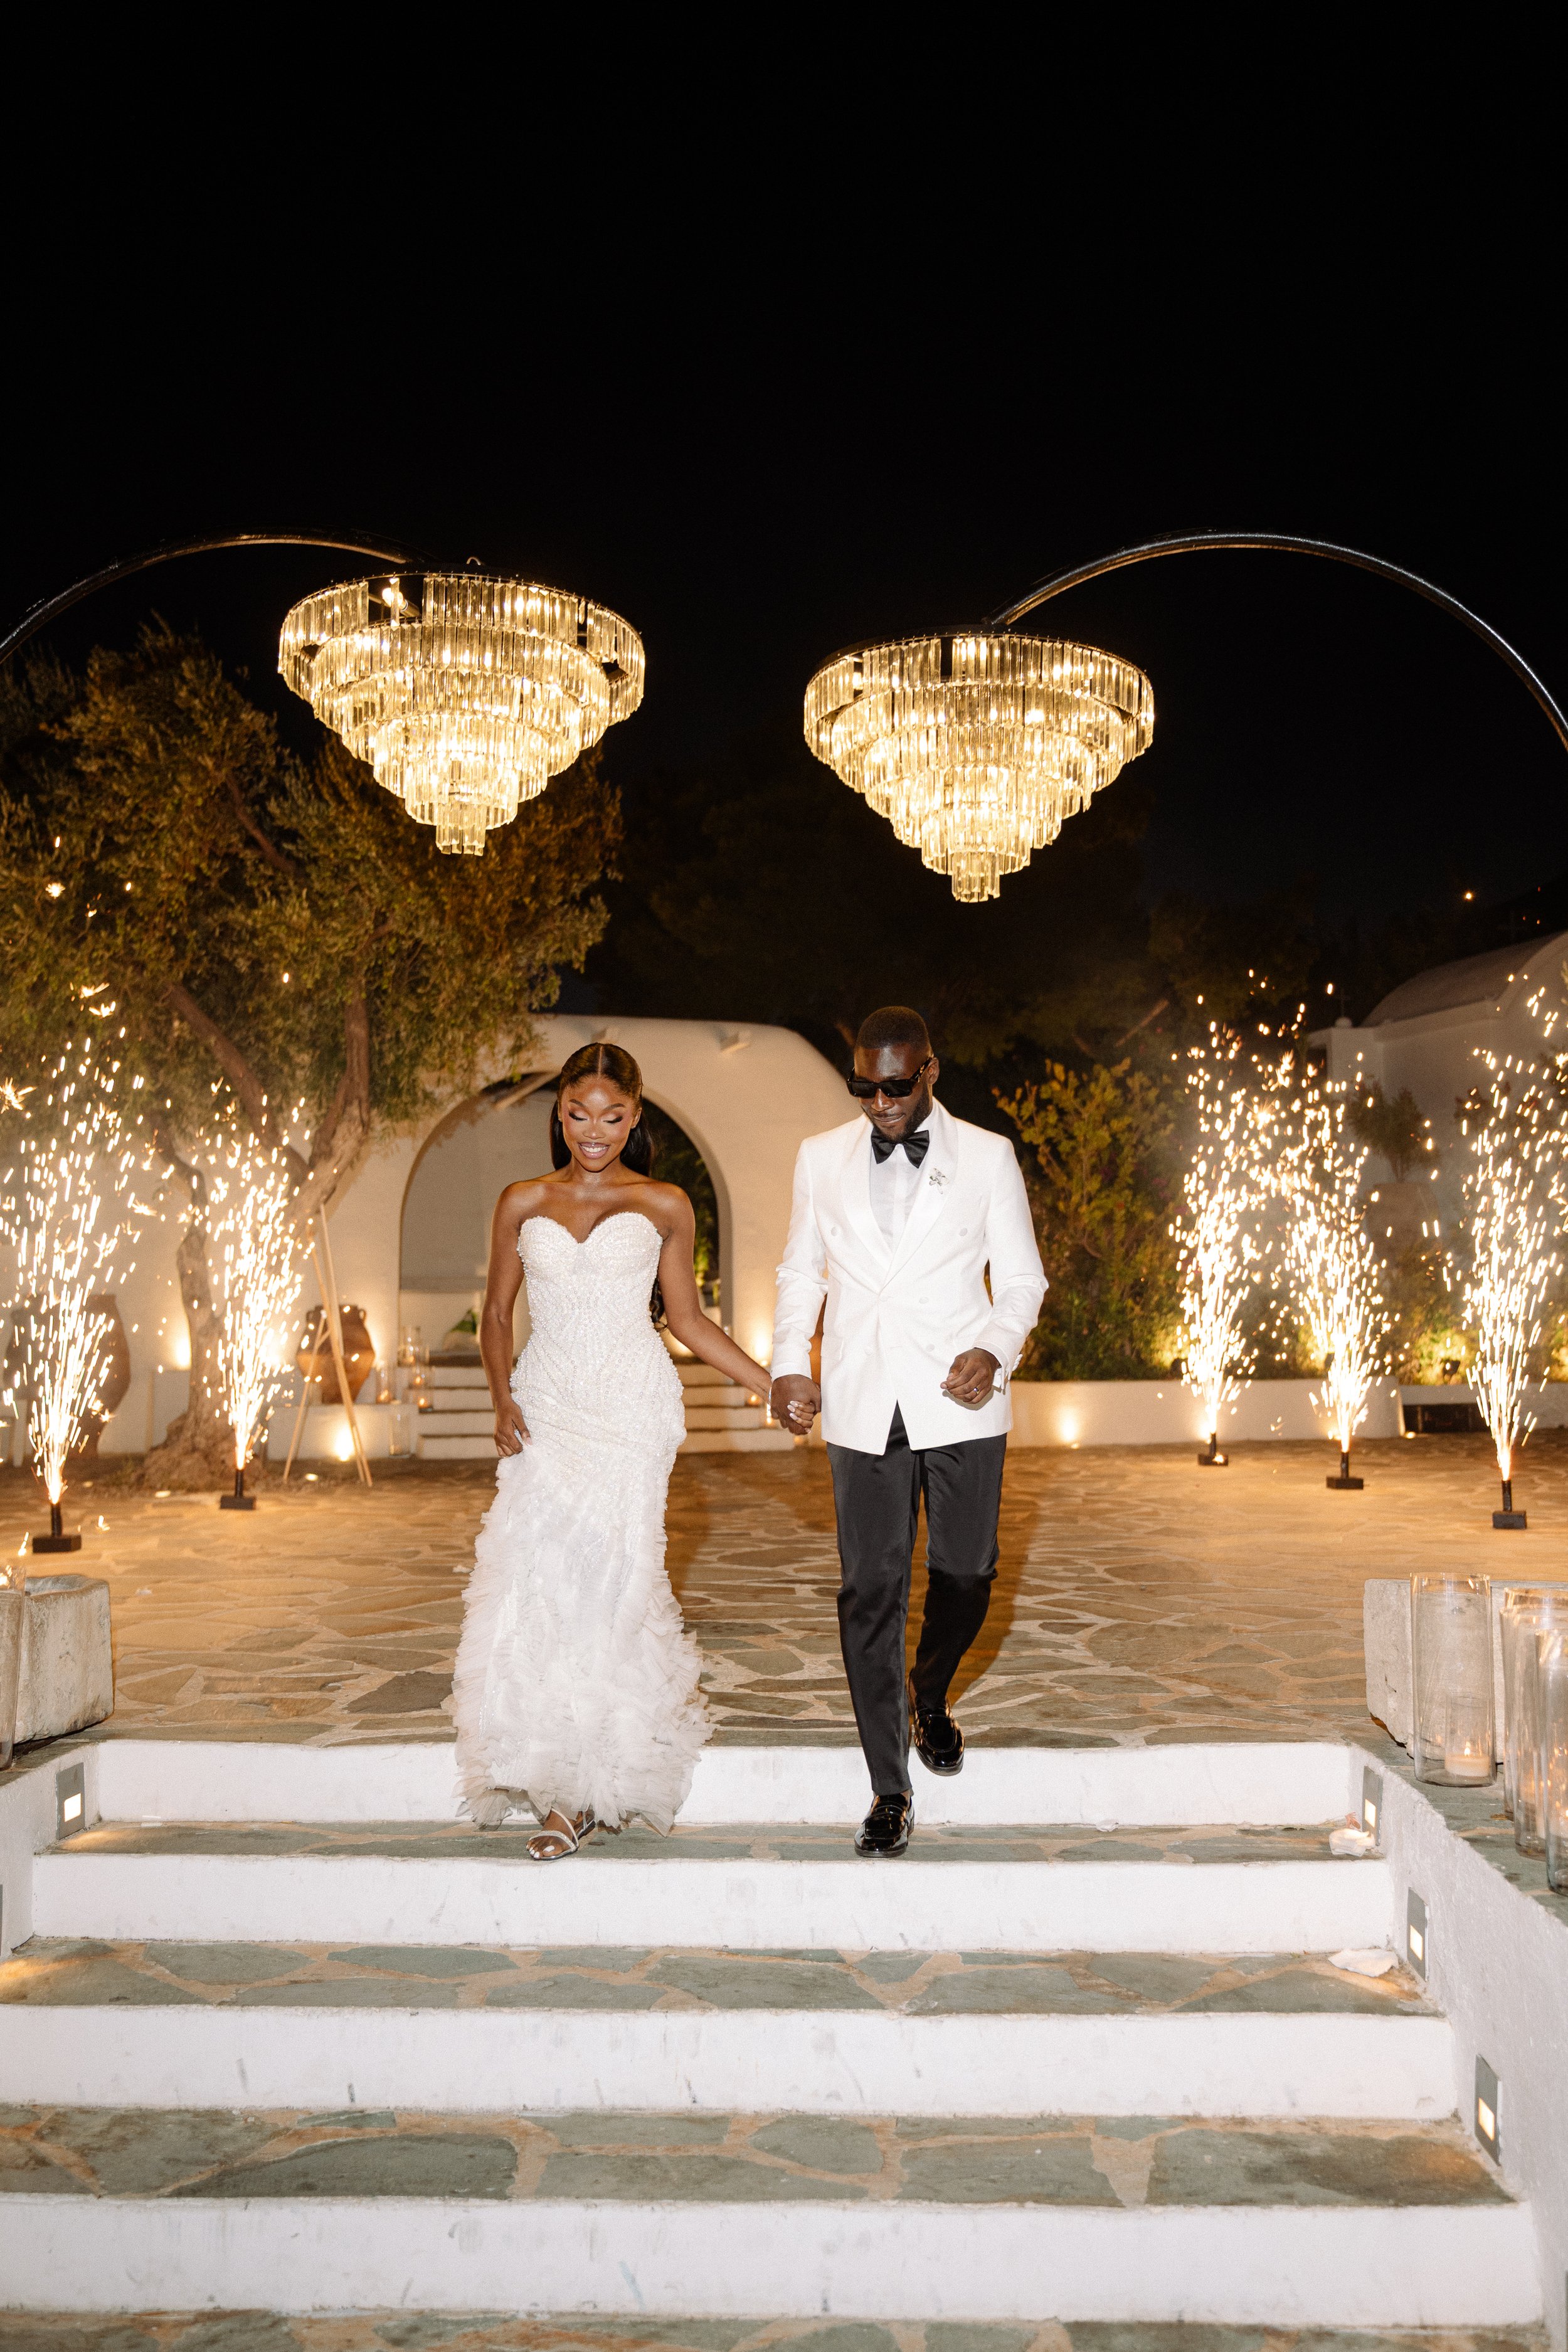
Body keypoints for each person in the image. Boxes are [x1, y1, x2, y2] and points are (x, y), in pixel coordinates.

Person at [451, 1041, 774, 1859]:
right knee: (543, 1583)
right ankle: (564, 1787)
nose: (595, 1131)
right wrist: (499, 1397)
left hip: (631, 1411)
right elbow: (494, 1314)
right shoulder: (521, 1201)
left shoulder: (665, 1203)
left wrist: (768, 1383)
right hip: (548, 1409)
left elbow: (689, 1322)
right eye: (579, 1113)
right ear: (559, 1111)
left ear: (637, 1115)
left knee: (613, 1585)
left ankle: (589, 1789)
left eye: (614, 1116)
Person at [770, 1007, 1046, 1856]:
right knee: (870, 1592)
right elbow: (800, 1268)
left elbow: (1023, 1281)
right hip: (860, 1399)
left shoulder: (989, 1156)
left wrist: (993, 1349)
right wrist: (789, 1360)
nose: (881, 1103)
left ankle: (931, 1691)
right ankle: (890, 1785)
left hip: (960, 1396)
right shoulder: (821, 1156)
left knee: (966, 1576)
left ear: (930, 1071)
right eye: (866, 1086)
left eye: (896, 1084)